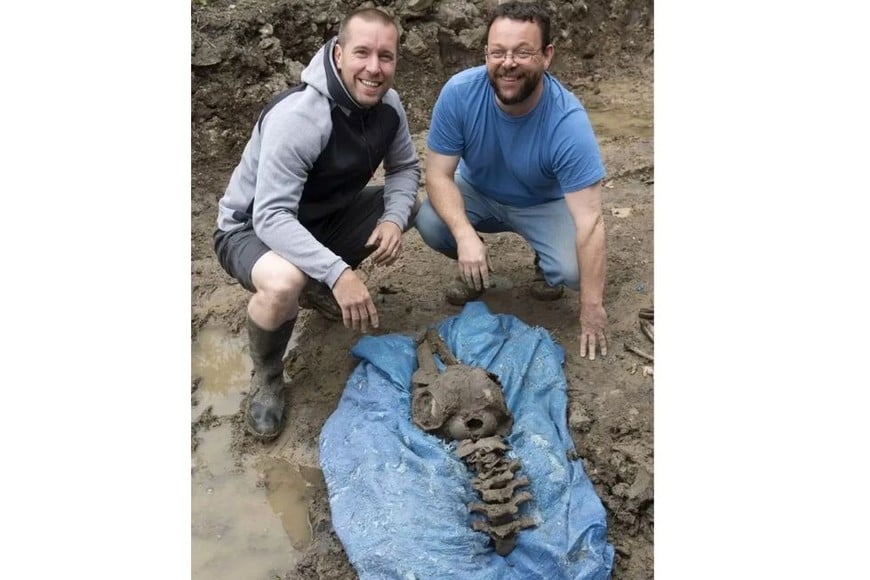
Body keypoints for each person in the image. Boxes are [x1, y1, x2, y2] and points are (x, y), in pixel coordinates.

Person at [213, 7, 421, 439]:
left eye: (386, 56)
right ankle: (269, 377)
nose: (374, 67)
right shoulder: (301, 117)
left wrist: (394, 220)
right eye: (362, 53)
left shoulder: (390, 106)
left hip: (321, 220)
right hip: (251, 229)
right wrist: (339, 271)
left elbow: (403, 169)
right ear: (339, 53)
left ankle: (319, 283)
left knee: (406, 206)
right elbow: (270, 215)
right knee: (285, 281)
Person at [415, 1, 609, 360]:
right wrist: (464, 235)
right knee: (429, 220)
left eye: (522, 52)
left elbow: (590, 221)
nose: (508, 63)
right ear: (485, 53)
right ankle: (472, 267)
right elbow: (438, 175)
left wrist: (592, 308)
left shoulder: (567, 122)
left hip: (543, 203)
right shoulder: (459, 93)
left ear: (547, 55)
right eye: (498, 52)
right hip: (479, 193)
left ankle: (543, 262)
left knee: (573, 271)